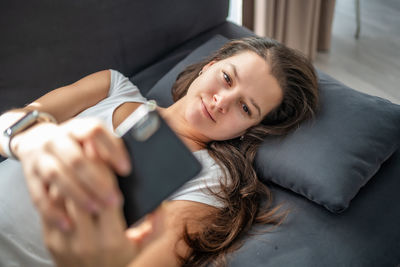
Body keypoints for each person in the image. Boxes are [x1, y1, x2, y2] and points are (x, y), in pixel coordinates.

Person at [0, 37, 318, 267]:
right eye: (226, 78)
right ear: (210, 66)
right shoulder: (113, 86)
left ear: (248, 130)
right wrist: (28, 141)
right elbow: (10, 122)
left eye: (246, 107)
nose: (222, 101)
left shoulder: (210, 181)